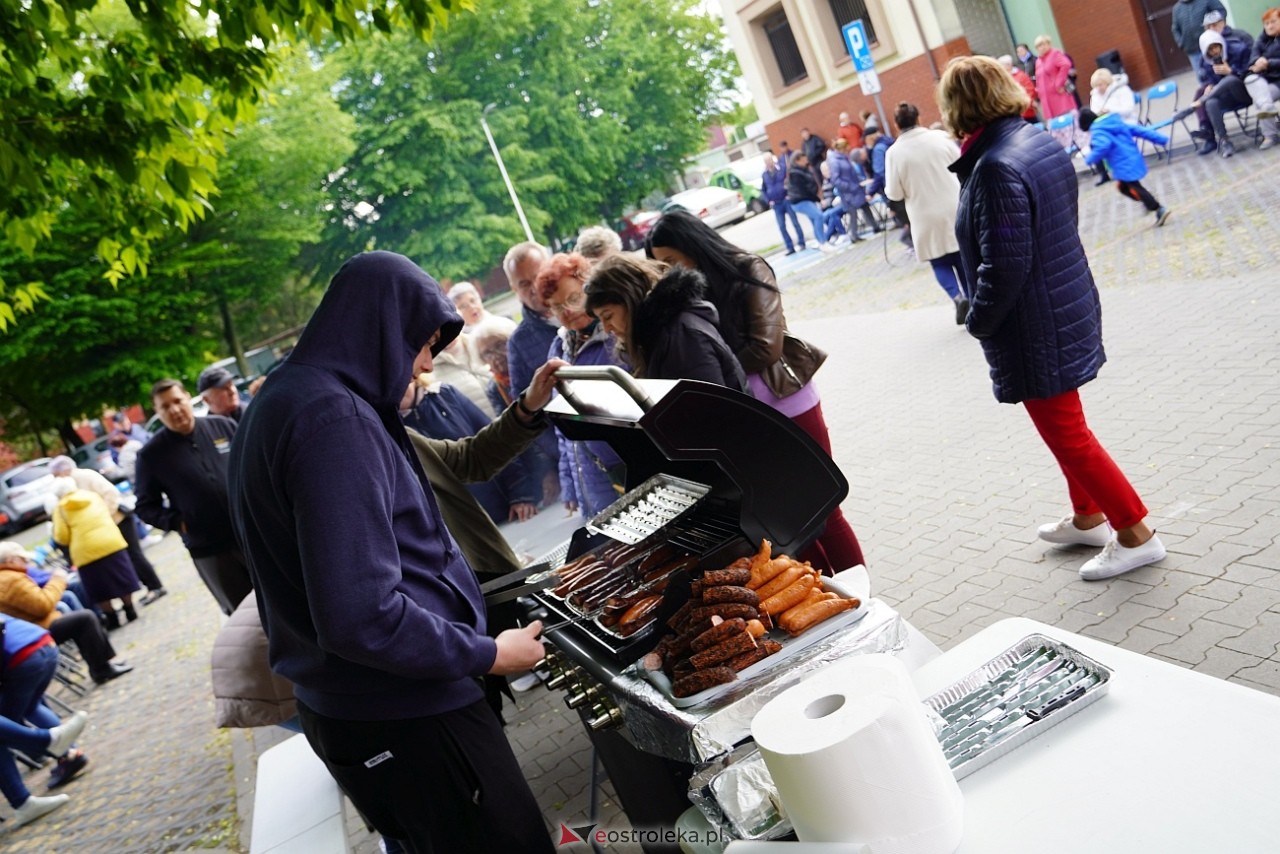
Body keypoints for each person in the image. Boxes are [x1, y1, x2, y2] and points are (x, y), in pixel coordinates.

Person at [228, 250, 552, 854]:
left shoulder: (284, 402)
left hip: (362, 711)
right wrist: (488, 653)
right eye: (421, 345)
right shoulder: (333, 421)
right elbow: (362, 615)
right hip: (407, 714)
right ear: (378, 329)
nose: (425, 364)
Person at [939, 55, 1167, 581]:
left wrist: (977, 320)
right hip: (1061, 302)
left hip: (1034, 320)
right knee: (1068, 428)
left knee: (1068, 435)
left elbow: (1006, 263)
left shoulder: (994, 163)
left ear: (958, 106)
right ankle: (1089, 516)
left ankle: (1135, 533)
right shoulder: (1033, 140)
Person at [644, 211, 865, 573]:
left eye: (670, 260)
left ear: (692, 245)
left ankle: (861, 591)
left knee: (823, 508)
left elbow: (766, 348)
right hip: (747, 416)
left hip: (787, 404)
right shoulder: (686, 291)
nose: (667, 271)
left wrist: (715, 364)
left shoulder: (747, 270)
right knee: (788, 521)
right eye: (659, 265)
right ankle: (826, 592)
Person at [136, 379, 253, 616]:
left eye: (177, 401)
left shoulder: (223, 426)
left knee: (282, 600)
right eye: (165, 406)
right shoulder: (151, 455)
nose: (175, 410)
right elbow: (145, 506)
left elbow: (252, 469)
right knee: (245, 617)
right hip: (211, 551)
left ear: (189, 398)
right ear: (157, 412)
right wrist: (178, 522)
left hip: (251, 536)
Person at [535, 252, 630, 518]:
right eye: (555, 307)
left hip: (627, 466)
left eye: (573, 298)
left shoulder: (617, 335)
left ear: (588, 286)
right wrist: (569, 481)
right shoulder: (560, 346)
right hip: (590, 477)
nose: (566, 312)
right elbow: (562, 426)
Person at [583, 255, 748, 392]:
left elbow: (709, 411)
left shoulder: (682, 336)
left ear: (630, 301)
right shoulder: (655, 335)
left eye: (608, 316)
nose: (606, 328)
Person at [401, 380, 538, 524]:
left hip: (505, 505)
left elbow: (494, 442)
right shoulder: (388, 430)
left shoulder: (445, 394)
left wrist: (521, 494)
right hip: (461, 523)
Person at [883, 102, 970, 325]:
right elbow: (963, 163)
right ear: (919, 118)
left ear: (896, 124)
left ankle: (957, 297)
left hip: (923, 214)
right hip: (954, 204)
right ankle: (972, 300)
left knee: (939, 261)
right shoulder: (941, 138)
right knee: (962, 257)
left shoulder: (894, 153)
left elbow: (894, 192)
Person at [0, 542, 133, 683]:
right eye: (23, 559)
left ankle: (104, 664)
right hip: (38, 630)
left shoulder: (9, 576)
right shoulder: (10, 579)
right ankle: (102, 669)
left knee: (80, 615)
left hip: (35, 625)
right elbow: (43, 605)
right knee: (85, 618)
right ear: (11, 561)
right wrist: (58, 580)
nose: (27, 562)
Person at [48, 455, 166, 605]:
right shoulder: (71, 482)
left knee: (134, 554)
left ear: (64, 470)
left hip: (118, 519)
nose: (55, 478)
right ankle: (150, 587)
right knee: (128, 557)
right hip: (107, 524)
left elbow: (111, 494)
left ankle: (155, 587)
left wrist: (104, 517)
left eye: (55, 474)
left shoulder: (85, 476)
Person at [1, 614, 91, 789]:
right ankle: (69, 752)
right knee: (31, 707)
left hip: (22, 657)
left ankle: (57, 751)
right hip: (43, 642)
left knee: (7, 726)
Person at [503, 241, 562, 505]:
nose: (534, 287)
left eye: (538, 275)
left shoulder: (588, 307)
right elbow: (526, 414)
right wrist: (560, 455)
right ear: (515, 290)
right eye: (524, 284)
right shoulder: (519, 343)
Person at [49, 478, 141, 628]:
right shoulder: (91, 496)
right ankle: (130, 609)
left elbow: (61, 536)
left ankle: (112, 618)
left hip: (86, 552)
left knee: (98, 587)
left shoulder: (60, 508)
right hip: (111, 542)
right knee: (121, 578)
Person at [1079, 108, 1173, 226]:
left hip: (1122, 163)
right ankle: (1148, 202)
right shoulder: (1115, 122)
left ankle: (1158, 208)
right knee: (1124, 187)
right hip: (1132, 157)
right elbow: (1139, 130)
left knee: (1134, 187)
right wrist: (1160, 139)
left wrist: (1090, 159)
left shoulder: (1098, 131)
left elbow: (1103, 145)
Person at [1188, 28, 1255, 157]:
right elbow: (1207, 79)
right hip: (1225, 97)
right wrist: (1209, 85)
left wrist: (1231, 71)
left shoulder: (1239, 50)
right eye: (1210, 50)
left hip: (1244, 92)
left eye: (1216, 47)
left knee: (1230, 79)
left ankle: (1201, 101)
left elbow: (1250, 72)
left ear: (1221, 43)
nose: (1215, 51)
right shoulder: (1205, 62)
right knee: (1211, 102)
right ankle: (1225, 141)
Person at [1086, 68, 1139, 183]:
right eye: (1096, 86)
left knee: (1113, 140)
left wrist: (1110, 111)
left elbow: (1129, 110)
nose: (1099, 88)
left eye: (1101, 85)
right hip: (1105, 125)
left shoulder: (1122, 90)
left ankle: (1125, 169)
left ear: (1108, 82)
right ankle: (1103, 174)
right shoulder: (1095, 95)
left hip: (1124, 122)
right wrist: (1098, 114)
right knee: (1094, 143)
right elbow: (1093, 113)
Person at [827, 140, 878, 243]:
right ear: (842, 148)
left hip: (856, 189)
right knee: (853, 213)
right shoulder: (834, 161)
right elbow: (835, 180)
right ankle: (853, 235)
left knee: (865, 206)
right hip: (848, 193)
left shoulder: (843, 158)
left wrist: (860, 181)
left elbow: (851, 172)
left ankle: (875, 227)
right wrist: (850, 186)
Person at [1245, 8, 1280, 149]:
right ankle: (1267, 108)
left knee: (1260, 99)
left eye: (1273, 22)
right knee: (1256, 88)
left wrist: (1267, 63)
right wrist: (1258, 61)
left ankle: (1270, 136)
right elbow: (1252, 58)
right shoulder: (1262, 39)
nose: (1269, 26)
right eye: (1266, 23)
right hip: (1267, 82)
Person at [784, 152, 832, 251]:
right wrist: (818, 200)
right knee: (818, 216)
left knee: (815, 219)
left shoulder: (803, 170)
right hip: (800, 200)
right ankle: (823, 242)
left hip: (806, 199)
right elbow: (803, 190)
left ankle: (821, 242)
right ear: (798, 160)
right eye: (803, 158)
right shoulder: (796, 173)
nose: (806, 159)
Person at [761, 153, 804, 255]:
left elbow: (789, 181)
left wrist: (789, 194)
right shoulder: (764, 175)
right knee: (782, 226)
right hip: (776, 204)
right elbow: (763, 190)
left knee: (795, 222)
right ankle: (790, 247)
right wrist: (768, 200)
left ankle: (801, 242)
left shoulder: (782, 169)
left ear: (773, 160)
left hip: (786, 200)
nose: (768, 163)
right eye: (766, 161)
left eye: (769, 160)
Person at [1033, 35, 1077, 125]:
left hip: (1058, 94)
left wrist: (1059, 83)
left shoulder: (1055, 54)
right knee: (1054, 124)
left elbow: (1066, 64)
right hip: (1046, 97)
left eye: (1043, 44)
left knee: (1066, 120)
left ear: (1049, 44)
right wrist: (1038, 90)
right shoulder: (1038, 61)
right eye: (1038, 46)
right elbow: (1038, 77)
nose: (1041, 48)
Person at [1172, 0, 1229, 70]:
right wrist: (1182, 43)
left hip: (1213, 47)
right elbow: (1175, 29)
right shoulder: (1177, 9)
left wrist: (1215, 30)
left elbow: (1221, 12)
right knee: (1203, 77)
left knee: (1219, 72)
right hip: (1193, 50)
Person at [448, 281, 517, 336]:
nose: (471, 307)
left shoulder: (505, 320)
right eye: (463, 306)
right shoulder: (463, 341)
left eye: (473, 300)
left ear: (479, 299)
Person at [999, 55, 1039, 122]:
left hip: (1025, 110)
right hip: (1012, 112)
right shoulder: (1002, 78)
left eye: (1002, 66)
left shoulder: (1020, 75)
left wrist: (1023, 103)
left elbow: (1030, 90)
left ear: (1009, 65)